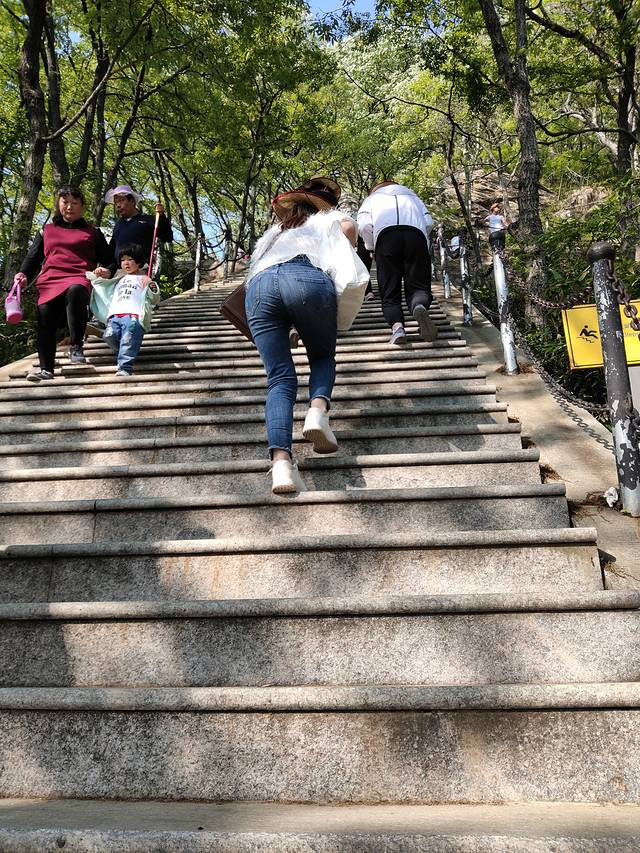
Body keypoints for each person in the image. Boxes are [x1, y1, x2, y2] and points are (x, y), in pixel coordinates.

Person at [245, 180, 357, 494]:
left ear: (293, 207)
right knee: (321, 356)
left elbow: (258, 269)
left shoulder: (274, 233)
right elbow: (348, 228)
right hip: (308, 278)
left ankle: (281, 463)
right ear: (327, 206)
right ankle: (318, 413)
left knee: (279, 378)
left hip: (260, 288)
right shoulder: (331, 220)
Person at [16, 185, 114, 382]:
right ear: (58, 204)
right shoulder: (46, 231)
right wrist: (23, 273)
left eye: (74, 203)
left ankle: (76, 346)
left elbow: (110, 260)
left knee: (76, 290)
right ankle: (46, 369)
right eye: (65, 202)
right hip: (50, 280)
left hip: (79, 276)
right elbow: (33, 258)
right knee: (45, 321)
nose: (69, 207)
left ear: (83, 206)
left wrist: (107, 270)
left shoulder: (92, 232)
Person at [357, 179, 436, 346]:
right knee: (419, 286)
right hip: (416, 237)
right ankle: (418, 306)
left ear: (375, 189)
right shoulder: (413, 197)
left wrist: (371, 247)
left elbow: (363, 225)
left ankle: (398, 328)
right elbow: (429, 222)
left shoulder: (371, 199)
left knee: (389, 290)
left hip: (386, 239)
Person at [89, 243, 160, 376]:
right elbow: (101, 286)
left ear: (139, 262)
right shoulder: (118, 279)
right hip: (115, 314)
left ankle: (125, 367)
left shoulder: (144, 278)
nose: (126, 263)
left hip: (134, 315)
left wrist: (151, 286)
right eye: (122, 260)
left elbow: (155, 298)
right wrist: (97, 275)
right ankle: (127, 351)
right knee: (109, 335)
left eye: (130, 259)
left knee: (128, 337)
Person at [105, 184, 173, 265]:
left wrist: (161, 217)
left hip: (142, 270)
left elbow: (167, 237)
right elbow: (112, 249)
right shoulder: (118, 225)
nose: (118, 205)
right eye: (116, 203)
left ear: (132, 201)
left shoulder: (148, 220)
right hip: (120, 271)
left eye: (121, 200)